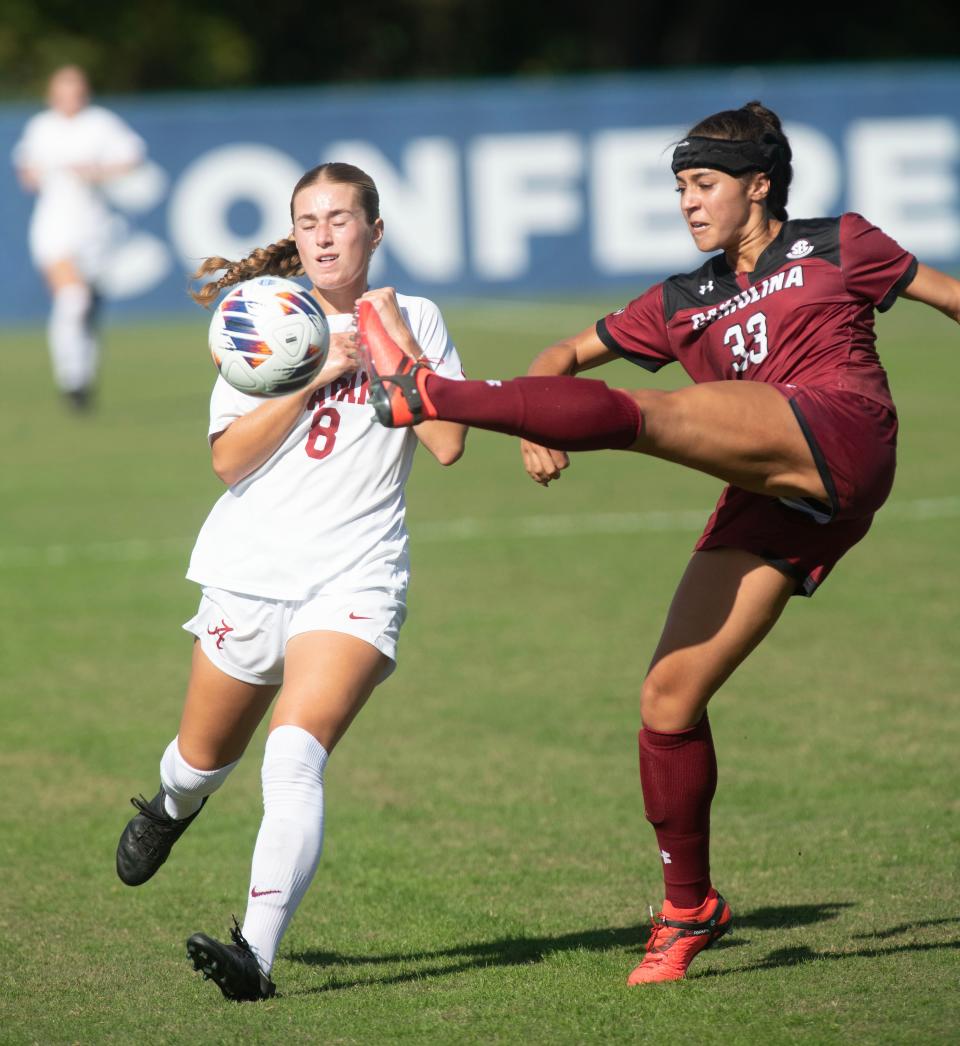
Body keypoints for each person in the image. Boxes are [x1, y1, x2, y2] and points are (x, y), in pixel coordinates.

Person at [355, 101, 960, 985]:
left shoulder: (838, 243)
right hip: (771, 487)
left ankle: (427, 392)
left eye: (704, 182)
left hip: (844, 428)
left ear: (759, 186)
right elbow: (562, 353)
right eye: (679, 186)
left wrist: (495, 402)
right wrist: (536, 415)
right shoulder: (684, 301)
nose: (688, 201)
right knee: (667, 700)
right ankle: (690, 909)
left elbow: (949, 298)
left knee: (655, 416)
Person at [115, 162, 467, 1002]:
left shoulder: (415, 316)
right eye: (308, 221)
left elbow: (450, 442)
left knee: (292, 760)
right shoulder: (267, 317)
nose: (322, 234)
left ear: (375, 233)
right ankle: (171, 806)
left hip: (357, 576)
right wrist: (314, 373)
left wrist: (392, 351)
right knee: (200, 765)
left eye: (340, 219)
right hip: (249, 575)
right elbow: (228, 460)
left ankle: (256, 956)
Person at [11, 65, 146, 410]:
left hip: (95, 230)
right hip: (55, 226)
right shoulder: (41, 127)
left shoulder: (99, 123)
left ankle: (83, 376)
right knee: (72, 299)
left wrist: (97, 171)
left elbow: (132, 156)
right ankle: (69, 377)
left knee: (88, 309)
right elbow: (25, 169)